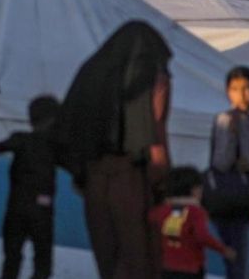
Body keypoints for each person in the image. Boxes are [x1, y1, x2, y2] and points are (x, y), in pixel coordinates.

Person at [58, 20, 173, 279]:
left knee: (108, 258)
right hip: (135, 180)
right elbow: (155, 130)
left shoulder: (93, 71)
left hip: (95, 181)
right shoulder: (149, 73)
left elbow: (70, 131)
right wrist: (165, 181)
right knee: (139, 259)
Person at [210, 66, 249, 279]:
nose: (242, 95)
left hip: (245, 201)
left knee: (241, 261)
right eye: (235, 89)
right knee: (238, 262)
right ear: (228, 92)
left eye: (246, 88)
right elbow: (220, 162)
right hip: (231, 199)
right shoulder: (226, 120)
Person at [0, 95, 62, 279]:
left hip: (16, 208)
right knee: (42, 262)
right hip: (42, 210)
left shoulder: (20, 139)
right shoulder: (55, 146)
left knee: (11, 259)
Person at [150, 166, 233, 279]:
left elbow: (152, 217)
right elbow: (202, 236)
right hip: (191, 268)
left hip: (168, 268)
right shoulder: (196, 212)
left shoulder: (163, 211)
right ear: (194, 190)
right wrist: (223, 249)